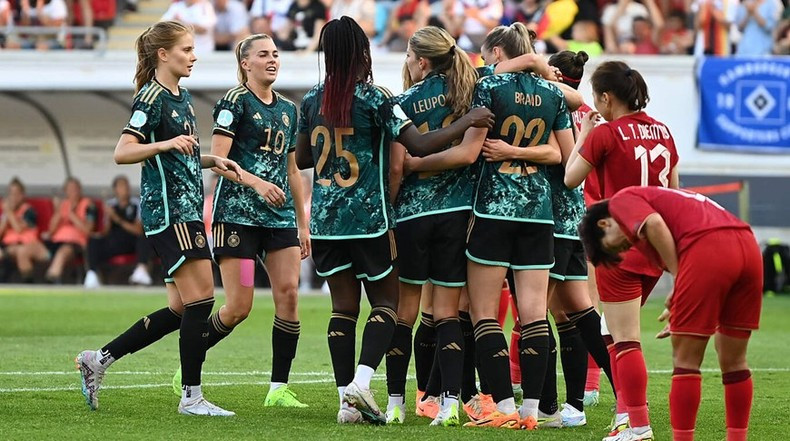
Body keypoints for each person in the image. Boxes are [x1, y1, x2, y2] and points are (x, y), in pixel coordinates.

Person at [295, 16, 493, 425]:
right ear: (361, 51)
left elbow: (301, 159)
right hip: (368, 218)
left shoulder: (312, 99)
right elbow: (417, 143)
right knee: (386, 304)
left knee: (343, 309)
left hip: (326, 220)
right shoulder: (373, 97)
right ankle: (362, 385)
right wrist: (465, 122)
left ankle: (344, 403)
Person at [75, 20, 242, 417]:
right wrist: (166, 142)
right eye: (186, 49)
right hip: (169, 213)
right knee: (203, 299)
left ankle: (98, 360)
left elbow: (176, 156)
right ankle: (191, 397)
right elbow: (123, 151)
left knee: (181, 308)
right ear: (163, 54)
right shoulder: (150, 96)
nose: (194, 55)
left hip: (185, 210)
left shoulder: (180, 97)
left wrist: (209, 159)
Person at [172, 33, 311, 408]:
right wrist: (257, 183)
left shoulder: (288, 109)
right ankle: (190, 364)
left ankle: (278, 389)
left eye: (276, 54)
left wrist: (302, 223)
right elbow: (218, 161)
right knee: (239, 307)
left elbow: (293, 170)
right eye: (263, 54)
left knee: (289, 294)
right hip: (237, 221)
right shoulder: (234, 102)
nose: (272, 59)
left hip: (278, 221)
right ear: (245, 63)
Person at [460, 22, 574, 430]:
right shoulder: (550, 93)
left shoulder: (488, 85)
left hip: (493, 210)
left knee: (485, 315)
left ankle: (505, 408)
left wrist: (507, 150)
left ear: (496, 54)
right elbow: (565, 155)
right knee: (533, 316)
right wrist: (525, 150)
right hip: (538, 213)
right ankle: (532, 413)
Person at [579, 186, 761, 441]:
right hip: (747, 245)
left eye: (611, 247)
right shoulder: (663, 205)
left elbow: (653, 223)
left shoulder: (621, 201)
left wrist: (680, 278)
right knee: (734, 360)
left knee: (685, 361)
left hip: (707, 247)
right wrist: (682, 297)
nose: (621, 249)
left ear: (604, 223)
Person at [564, 60, 680, 441]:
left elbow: (570, 178)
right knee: (610, 332)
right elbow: (673, 193)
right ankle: (624, 417)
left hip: (617, 246)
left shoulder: (605, 134)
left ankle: (639, 424)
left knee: (624, 338)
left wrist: (583, 133)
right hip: (654, 247)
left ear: (607, 97)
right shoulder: (663, 131)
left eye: (598, 96)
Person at [383, 25, 484, 427]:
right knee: (446, 314)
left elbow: (395, 166)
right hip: (457, 213)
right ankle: (448, 405)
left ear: (421, 61)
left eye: (408, 57)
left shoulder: (402, 101)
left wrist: (390, 212)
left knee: (404, 314)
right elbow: (468, 155)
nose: (407, 64)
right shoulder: (468, 95)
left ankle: (395, 404)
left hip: (411, 215)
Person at [84, 175, 153, 288]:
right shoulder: (111, 205)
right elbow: (106, 232)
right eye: (121, 186)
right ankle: (92, 273)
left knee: (144, 238)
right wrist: (109, 218)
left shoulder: (137, 203)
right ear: (115, 189)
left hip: (131, 241)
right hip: (115, 241)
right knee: (94, 240)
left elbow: (138, 230)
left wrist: (117, 218)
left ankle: (141, 271)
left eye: (127, 185)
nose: (125, 188)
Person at [44, 177, 96, 283]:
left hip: (76, 244)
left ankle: (52, 277)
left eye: (76, 189)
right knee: (29, 249)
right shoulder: (63, 205)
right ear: (65, 191)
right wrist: (58, 212)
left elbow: (88, 230)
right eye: (70, 189)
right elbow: (51, 231)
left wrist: (72, 215)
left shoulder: (89, 205)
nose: (73, 192)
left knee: (63, 252)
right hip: (56, 241)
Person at [0, 177, 49, 283]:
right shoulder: (6, 214)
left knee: (21, 252)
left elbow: (18, 229)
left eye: (16, 194)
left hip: (28, 245)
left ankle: (28, 283)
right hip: (8, 246)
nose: (13, 198)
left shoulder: (29, 211)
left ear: (22, 195)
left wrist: (9, 212)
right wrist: (5, 217)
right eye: (11, 194)